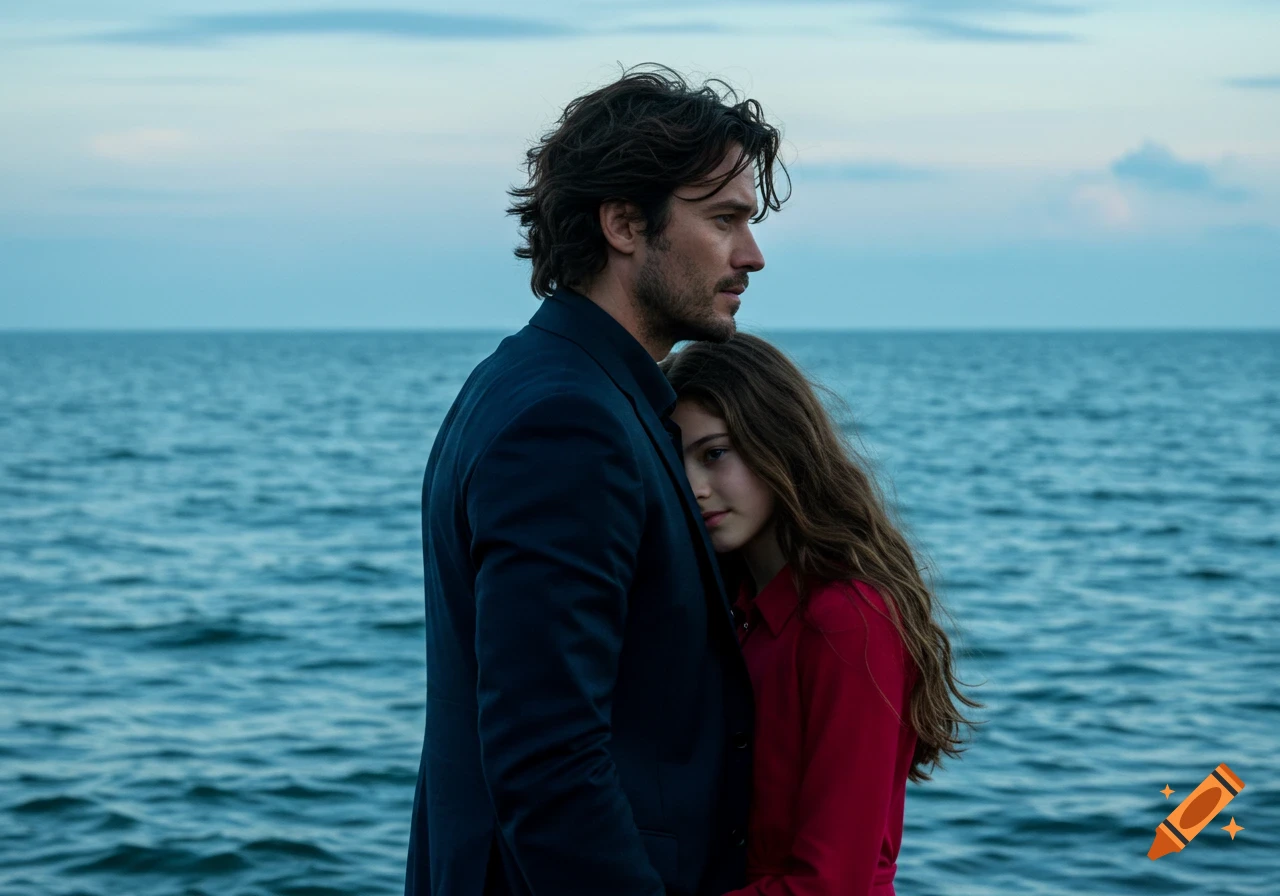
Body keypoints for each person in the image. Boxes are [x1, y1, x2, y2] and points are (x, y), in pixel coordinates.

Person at [403, 66, 790, 896]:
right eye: (724, 220)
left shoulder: (530, 384)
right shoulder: (568, 424)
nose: (752, 255)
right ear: (623, 222)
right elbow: (549, 765)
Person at [660, 334, 980, 896]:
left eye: (714, 454)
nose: (693, 488)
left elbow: (832, 884)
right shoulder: (737, 617)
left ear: (778, 443)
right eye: (675, 461)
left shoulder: (847, 620)